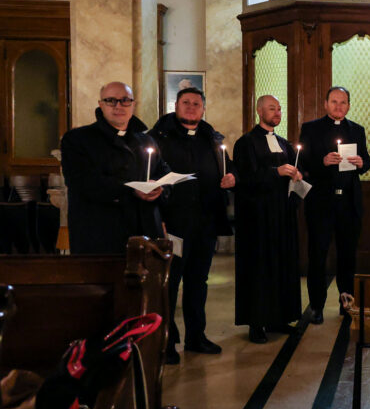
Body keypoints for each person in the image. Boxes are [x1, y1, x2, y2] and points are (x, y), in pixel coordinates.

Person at [149, 87, 235, 363]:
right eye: (185, 103)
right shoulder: (158, 137)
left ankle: (196, 336)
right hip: (173, 222)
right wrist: (158, 218)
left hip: (205, 220)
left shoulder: (212, 137)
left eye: (196, 104)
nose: (190, 107)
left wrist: (231, 178)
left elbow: (227, 168)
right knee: (170, 283)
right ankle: (167, 342)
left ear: (203, 108)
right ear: (176, 105)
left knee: (198, 282)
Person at [61, 81, 168, 254]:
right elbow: (82, 181)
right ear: (100, 104)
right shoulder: (78, 139)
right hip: (100, 234)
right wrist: (131, 189)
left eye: (125, 100)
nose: (119, 106)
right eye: (111, 100)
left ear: (133, 104)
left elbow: (162, 171)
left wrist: (158, 186)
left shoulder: (146, 140)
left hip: (144, 233)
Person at [233, 95, 303, 343]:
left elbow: (291, 172)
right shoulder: (246, 143)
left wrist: (296, 175)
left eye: (280, 109)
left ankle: (281, 317)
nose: (277, 112)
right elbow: (244, 177)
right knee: (260, 267)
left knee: (282, 264)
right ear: (259, 111)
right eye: (272, 108)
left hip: (282, 215)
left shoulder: (285, 144)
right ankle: (256, 323)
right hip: (258, 217)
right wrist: (276, 171)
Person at [298, 87, 370, 324]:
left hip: (348, 203)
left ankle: (346, 304)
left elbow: (366, 162)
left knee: (347, 256)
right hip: (321, 202)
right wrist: (322, 161)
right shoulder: (310, 128)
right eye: (334, 102)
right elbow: (302, 164)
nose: (339, 106)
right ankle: (316, 306)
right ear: (326, 103)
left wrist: (361, 163)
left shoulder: (357, 130)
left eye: (343, 102)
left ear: (349, 105)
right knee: (317, 255)